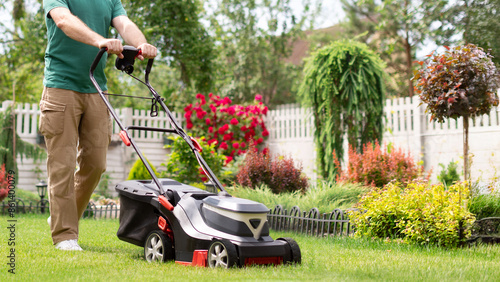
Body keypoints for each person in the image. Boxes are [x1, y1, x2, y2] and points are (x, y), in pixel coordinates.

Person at [40, 0, 157, 251]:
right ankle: (64, 234)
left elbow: (124, 23)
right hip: (60, 86)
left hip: (96, 88)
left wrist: (140, 44)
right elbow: (63, 20)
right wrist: (99, 40)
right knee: (62, 163)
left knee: (96, 163)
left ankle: (63, 215)